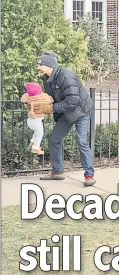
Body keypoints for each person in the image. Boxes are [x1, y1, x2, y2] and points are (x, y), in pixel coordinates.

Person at [37, 51, 96, 186]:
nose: (38, 68)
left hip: (81, 111)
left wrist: (52, 108)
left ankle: (89, 176)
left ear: (49, 65)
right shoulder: (47, 78)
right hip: (67, 112)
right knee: (54, 139)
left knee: (81, 141)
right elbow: (50, 98)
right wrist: (39, 105)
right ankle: (57, 172)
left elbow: (73, 100)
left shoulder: (66, 76)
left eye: (40, 65)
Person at [20, 82, 54, 155]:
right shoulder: (43, 97)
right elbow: (51, 100)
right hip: (36, 120)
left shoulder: (27, 96)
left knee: (37, 132)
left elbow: (22, 99)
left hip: (30, 120)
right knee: (40, 133)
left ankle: (32, 142)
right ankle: (35, 148)